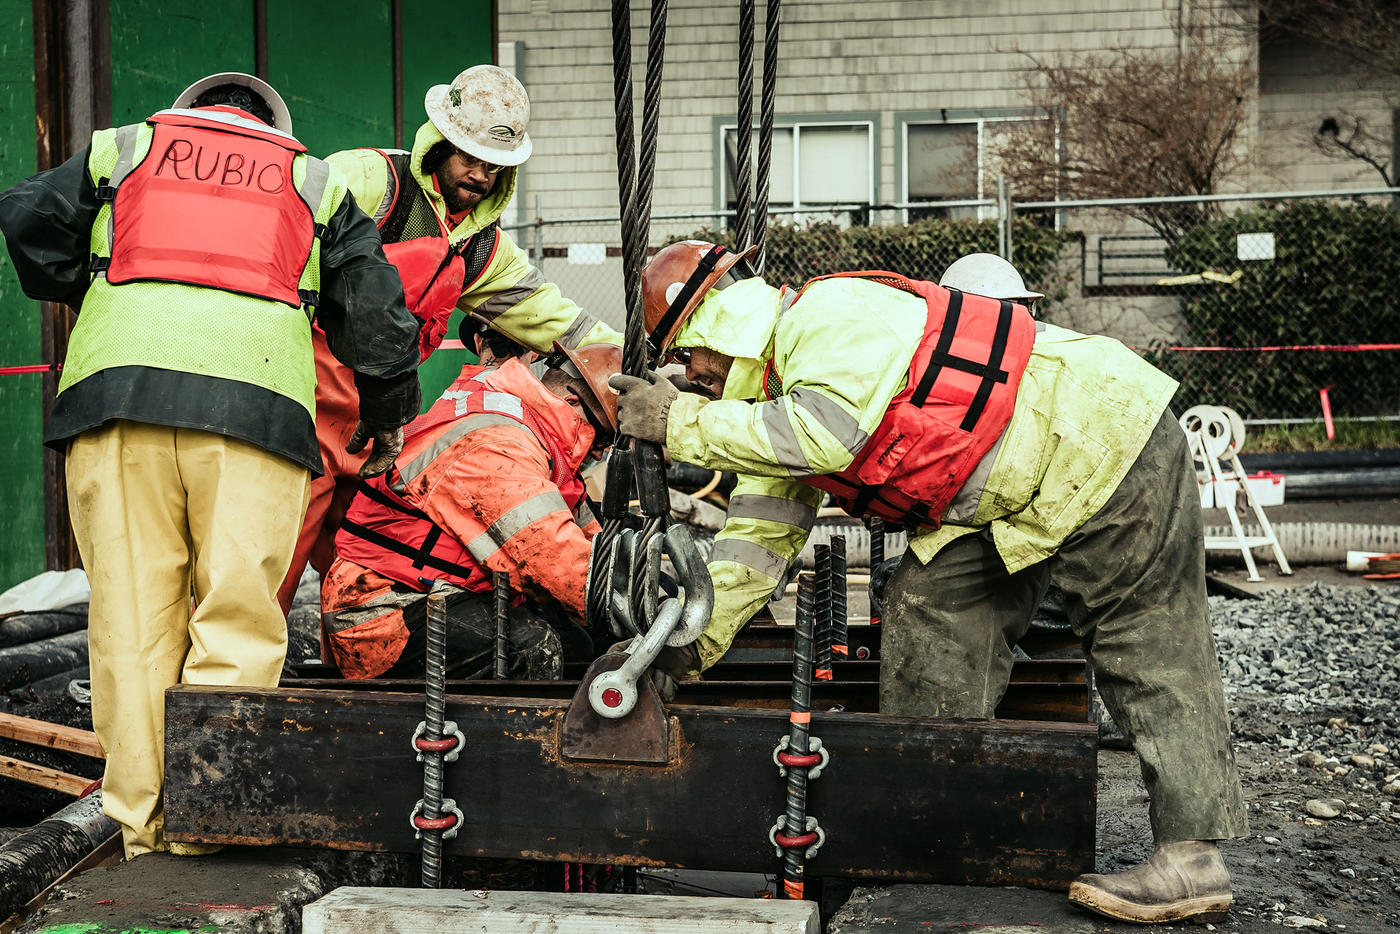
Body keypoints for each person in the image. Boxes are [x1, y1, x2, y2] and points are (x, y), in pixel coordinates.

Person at [609, 242, 1248, 925]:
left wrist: (679, 424)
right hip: (1002, 494)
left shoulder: (825, 318)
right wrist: (681, 646)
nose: (691, 375)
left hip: (1102, 435)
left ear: (715, 325)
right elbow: (755, 547)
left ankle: (1191, 860)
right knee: (930, 607)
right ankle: (944, 833)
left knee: (1143, 641)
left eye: (687, 355)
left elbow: (829, 434)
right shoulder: (768, 410)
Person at [0, 73, 421, 858]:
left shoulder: (124, 150)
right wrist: (388, 418)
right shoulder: (314, 181)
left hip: (114, 399)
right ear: (273, 126)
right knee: (235, 612)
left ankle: (140, 825)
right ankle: (208, 824)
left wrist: (89, 285)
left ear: (193, 115)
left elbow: (24, 214)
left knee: (128, 620)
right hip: (256, 415)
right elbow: (378, 318)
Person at [277, 64, 619, 615]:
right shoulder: (371, 182)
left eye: (495, 165)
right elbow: (276, 246)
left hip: (375, 429)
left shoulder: (482, 249)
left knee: (376, 564)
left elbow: (556, 319)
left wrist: (631, 361)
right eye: (470, 157)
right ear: (440, 141)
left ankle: (362, 670)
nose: (481, 174)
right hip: (297, 412)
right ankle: (224, 693)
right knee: (266, 573)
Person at [321, 343, 621, 680]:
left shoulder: (536, 436)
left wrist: (636, 585)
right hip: (384, 607)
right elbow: (559, 566)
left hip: (436, 590)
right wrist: (646, 626)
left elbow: (590, 543)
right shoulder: (498, 443)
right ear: (572, 403)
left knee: (578, 646)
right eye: (603, 437)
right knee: (532, 648)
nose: (599, 451)